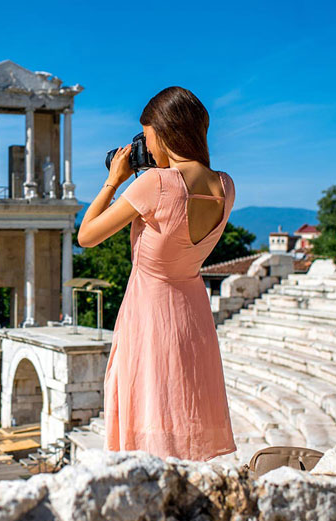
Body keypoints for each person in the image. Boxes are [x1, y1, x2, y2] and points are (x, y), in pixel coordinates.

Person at [77, 86, 237, 462]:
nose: (146, 147)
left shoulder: (155, 184)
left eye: (148, 136)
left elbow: (86, 236)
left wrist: (114, 180)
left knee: (152, 403)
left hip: (150, 311)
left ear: (164, 132)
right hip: (193, 310)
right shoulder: (226, 186)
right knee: (184, 403)